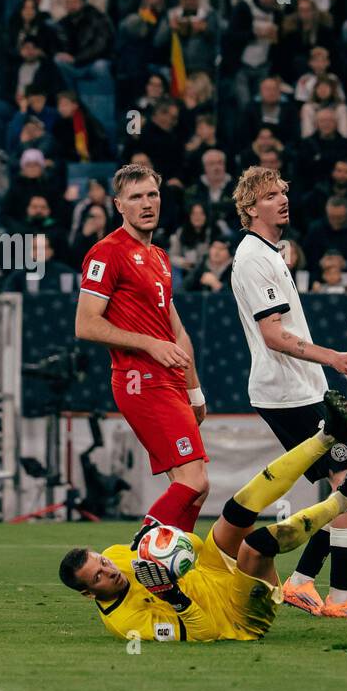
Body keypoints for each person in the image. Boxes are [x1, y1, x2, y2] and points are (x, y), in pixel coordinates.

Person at [229, 165, 347, 620]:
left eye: (283, 191)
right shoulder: (254, 257)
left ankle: (304, 584)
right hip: (286, 390)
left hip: (297, 387)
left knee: (344, 482)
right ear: (251, 207)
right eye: (272, 194)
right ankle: (336, 595)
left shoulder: (267, 252)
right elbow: (274, 335)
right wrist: (333, 358)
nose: (282, 199)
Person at [60, 428, 347, 642]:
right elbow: (206, 634)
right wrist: (174, 597)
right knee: (255, 546)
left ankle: (323, 437)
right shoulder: (126, 624)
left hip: (212, 573)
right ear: (89, 594)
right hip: (236, 618)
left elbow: (193, 547)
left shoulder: (118, 555)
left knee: (237, 509)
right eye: (98, 577)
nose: (109, 570)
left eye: (101, 562)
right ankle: (341, 501)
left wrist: (166, 540)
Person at [75, 163, 211, 536]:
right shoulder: (106, 253)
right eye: (136, 197)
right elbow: (86, 324)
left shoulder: (161, 258)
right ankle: (143, 555)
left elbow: (178, 331)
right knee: (194, 481)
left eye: (152, 194)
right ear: (119, 204)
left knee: (194, 489)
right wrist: (150, 344)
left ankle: (171, 575)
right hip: (141, 382)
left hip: (169, 382)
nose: (147, 203)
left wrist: (194, 390)